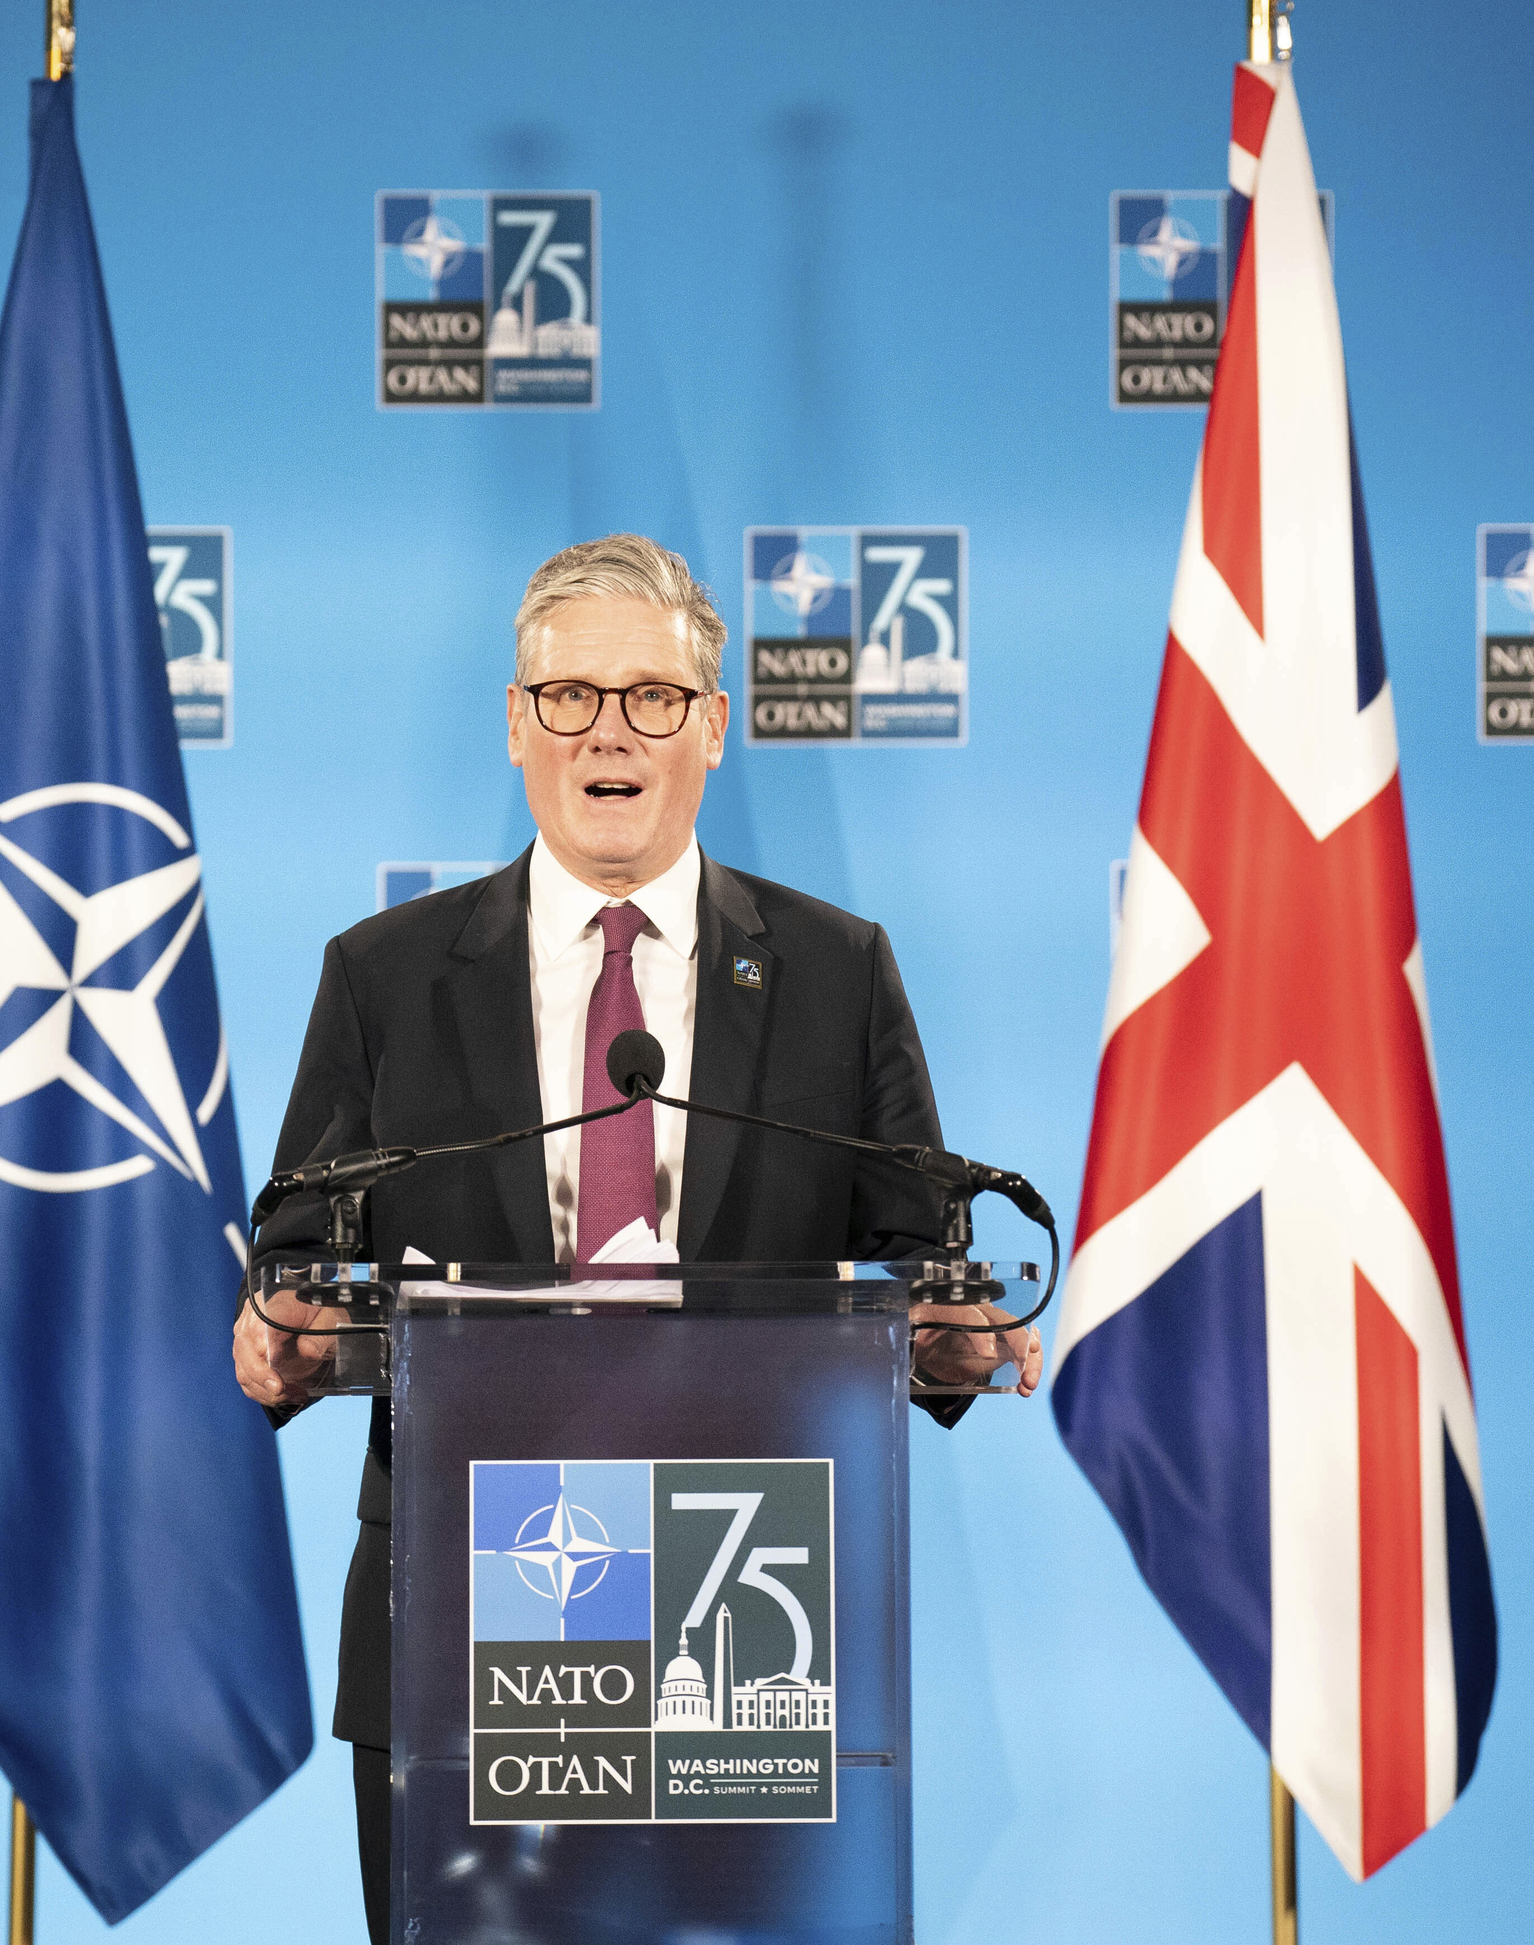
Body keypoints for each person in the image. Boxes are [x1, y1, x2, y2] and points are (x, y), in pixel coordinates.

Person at [231, 533, 1038, 1944]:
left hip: (742, 1616)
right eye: (571, 697)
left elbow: (918, 1276)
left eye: (654, 697)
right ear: (516, 724)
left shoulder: (835, 971)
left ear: (713, 727)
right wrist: (284, 1340)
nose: (610, 731)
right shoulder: (388, 978)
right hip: (470, 1614)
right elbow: (306, 1258)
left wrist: (954, 1344)